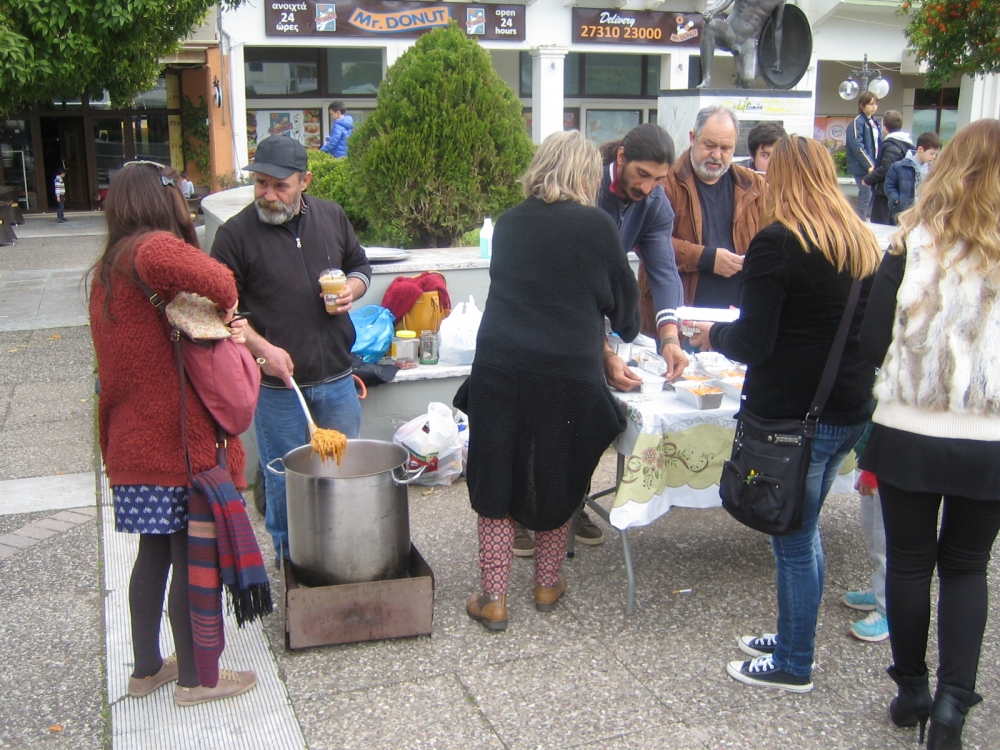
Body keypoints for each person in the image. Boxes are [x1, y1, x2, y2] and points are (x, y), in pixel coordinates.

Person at [689, 135, 881, 692]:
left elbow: (752, 340)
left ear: (785, 180)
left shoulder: (779, 242)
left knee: (793, 539)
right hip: (845, 411)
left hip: (795, 419)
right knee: (804, 531)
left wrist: (711, 333)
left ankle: (795, 661)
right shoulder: (859, 243)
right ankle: (794, 632)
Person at [89, 161, 258, 705]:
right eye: (179, 194)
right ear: (161, 199)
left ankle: (146, 670)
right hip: (174, 445)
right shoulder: (155, 250)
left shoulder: (108, 267)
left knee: (153, 554)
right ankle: (195, 679)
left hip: (130, 442)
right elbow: (223, 282)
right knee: (190, 558)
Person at [458, 130, 640, 631]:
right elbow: (625, 314)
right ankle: (545, 583)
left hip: (499, 367)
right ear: (588, 176)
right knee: (559, 468)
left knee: (495, 472)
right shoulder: (598, 226)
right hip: (566, 372)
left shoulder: (511, 224)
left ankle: (493, 597)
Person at [858, 118, 1000, 749]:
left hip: (909, 428)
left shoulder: (907, 241)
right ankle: (950, 708)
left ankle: (911, 687)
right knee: (968, 568)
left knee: (910, 564)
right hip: (990, 435)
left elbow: (867, 342)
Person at [515, 123, 687, 556]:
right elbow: (568, 283)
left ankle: (570, 507)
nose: (648, 188)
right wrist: (605, 350)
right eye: (643, 175)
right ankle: (520, 513)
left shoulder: (654, 202)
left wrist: (669, 335)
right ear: (623, 157)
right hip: (547, 316)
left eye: (658, 180)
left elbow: (663, 270)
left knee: (584, 419)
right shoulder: (583, 184)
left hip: (591, 317)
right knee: (537, 420)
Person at [211, 135, 371, 563]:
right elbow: (223, 312)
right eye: (261, 183)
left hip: (337, 377)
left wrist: (351, 291)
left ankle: (343, 551)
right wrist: (263, 350)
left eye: (280, 185)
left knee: (341, 472)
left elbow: (359, 266)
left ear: (305, 181)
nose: (268, 194)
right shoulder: (234, 236)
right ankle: (289, 562)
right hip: (276, 387)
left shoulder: (332, 217)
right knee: (283, 479)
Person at [659, 106, 767, 312]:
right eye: (709, 145)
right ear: (692, 138)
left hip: (737, 319)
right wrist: (706, 258)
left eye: (725, 148)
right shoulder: (665, 183)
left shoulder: (755, 185)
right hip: (680, 315)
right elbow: (649, 240)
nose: (717, 155)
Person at [841, 425, 889, 643]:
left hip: (889, 466)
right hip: (875, 461)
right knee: (873, 535)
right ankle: (881, 589)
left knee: (886, 543)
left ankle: (890, 609)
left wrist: (872, 472)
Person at [696, 0, 785, 89]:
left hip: (748, 41)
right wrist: (712, 10)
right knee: (709, 26)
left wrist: (777, 60)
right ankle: (706, 79)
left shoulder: (779, 1)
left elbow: (777, 28)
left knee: (748, 81)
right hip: (730, 32)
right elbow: (726, 1)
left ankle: (739, 82)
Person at [863, 110, 912, 225]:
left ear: (884, 126)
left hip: (885, 192)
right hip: (897, 191)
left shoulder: (891, 145)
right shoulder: (905, 144)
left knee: (881, 226)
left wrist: (869, 179)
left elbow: (886, 168)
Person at [883, 131, 941, 224]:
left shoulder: (933, 170)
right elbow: (889, 186)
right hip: (903, 213)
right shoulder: (899, 167)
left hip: (924, 214)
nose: (934, 157)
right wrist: (897, 200)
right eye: (931, 153)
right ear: (920, 149)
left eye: (935, 154)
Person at [845, 91, 881, 221]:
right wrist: (869, 165)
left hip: (873, 165)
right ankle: (859, 222)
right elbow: (857, 146)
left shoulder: (875, 122)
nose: (874, 107)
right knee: (866, 194)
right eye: (871, 104)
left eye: (876, 104)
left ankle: (856, 220)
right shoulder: (857, 122)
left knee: (871, 195)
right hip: (862, 166)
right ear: (862, 105)